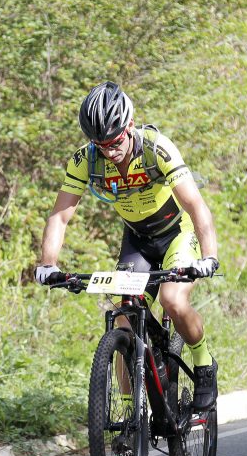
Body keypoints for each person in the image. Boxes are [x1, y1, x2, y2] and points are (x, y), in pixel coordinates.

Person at [35, 81, 220, 411]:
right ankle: (128, 414)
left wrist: (209, 256)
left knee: (172, 300)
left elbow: (195, 205)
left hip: (177, 233)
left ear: (129, 125)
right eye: (101, 145)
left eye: (115, 142)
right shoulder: (86, 160)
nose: (109, 151)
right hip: (138, 240)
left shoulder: (156, 149)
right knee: (125, 319)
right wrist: (48, 263)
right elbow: (60, 216)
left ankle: (204, 363)